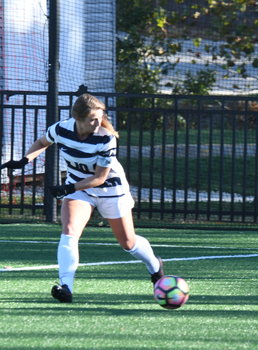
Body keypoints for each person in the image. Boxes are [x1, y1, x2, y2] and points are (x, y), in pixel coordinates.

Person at [0, 93, 164, 303]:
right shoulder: (61, 129)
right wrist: (24, 160)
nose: (97, 123)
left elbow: (99, 178)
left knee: (128, 243)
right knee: (69, 231)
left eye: (100, 118)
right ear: (78, 118)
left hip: (110, 190)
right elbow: (42, 141)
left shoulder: (106, 138)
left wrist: (68, 188)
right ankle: (66, 287)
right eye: (93, 119)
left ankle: (155, 266)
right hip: (79, 188)